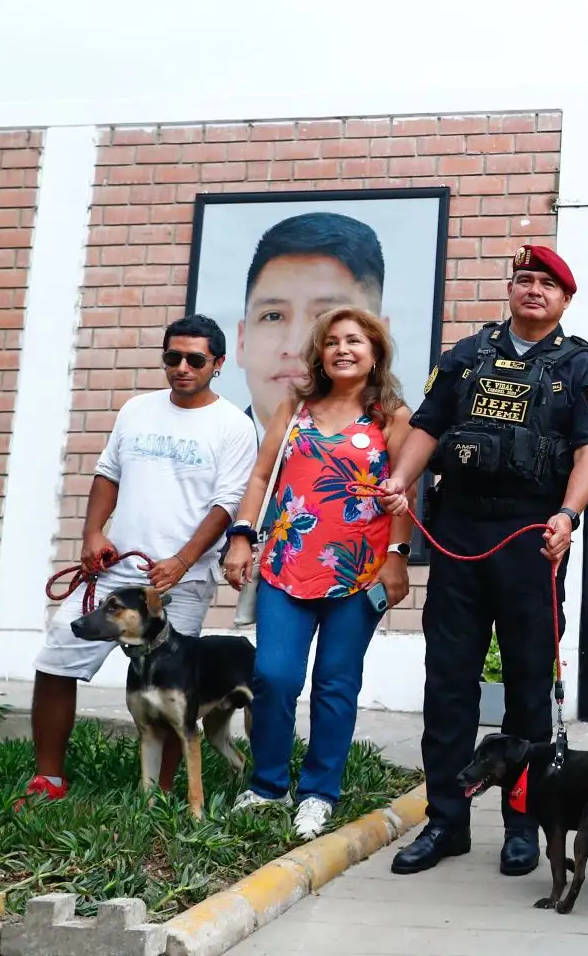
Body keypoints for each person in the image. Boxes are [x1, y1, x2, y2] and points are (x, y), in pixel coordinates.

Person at [375, 245, 588, 877]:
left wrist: (567, 515)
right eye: (524, 280)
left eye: (547, 284)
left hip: (532, 540)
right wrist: (401, 479)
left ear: (565, 300)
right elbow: (426, 426)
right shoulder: (466, 356)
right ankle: (446, 822)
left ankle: (521, 827)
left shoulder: (581, 368)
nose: (533, 290)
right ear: (511, 289)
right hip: (459, 538)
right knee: (449, 685)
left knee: (528, 694)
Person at [25, 315, 256, 806]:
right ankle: (48, 780)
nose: (182, 368)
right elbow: (107, 475)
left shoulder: (234, 425)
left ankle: (164, 792)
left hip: (181, 581)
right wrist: (92, 533)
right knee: (56, 661)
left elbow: (226, 504)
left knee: (177, 691)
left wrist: (182, 560)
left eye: (195, 359)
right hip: (112, 576)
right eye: (172, 357)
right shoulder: (137, 409)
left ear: (218, 363)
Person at [222, 306, 414, 839]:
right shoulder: (295, 408)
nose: (342, 349)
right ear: (320, 355)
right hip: (288, 563)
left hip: (360, 571)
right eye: (332, 342)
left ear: (375, 353)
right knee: (274, 676)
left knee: (336, 684)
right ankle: (267, 786)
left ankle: (318, 793)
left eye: (355, 340)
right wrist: (242, 534)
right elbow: (261, 477)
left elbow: (405, 490)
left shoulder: (392, 418)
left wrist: (398, 555)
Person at [235, 212, 387, 439]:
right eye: (273, 316)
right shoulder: (217, 439)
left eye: (328, 317)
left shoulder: (398, 431)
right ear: (241, 341)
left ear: (377, 340)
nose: (295, 348)